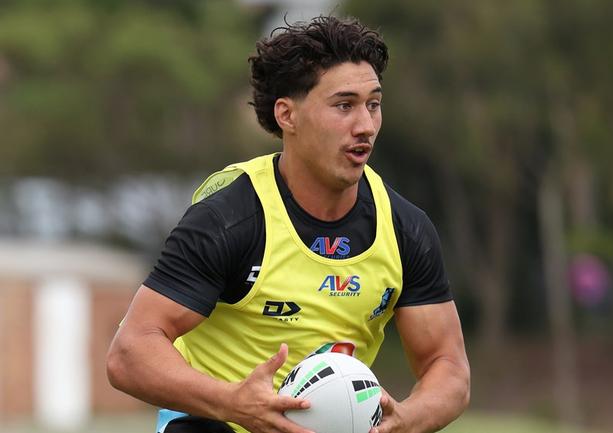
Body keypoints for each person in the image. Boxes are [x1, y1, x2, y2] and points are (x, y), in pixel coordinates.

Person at [107, 15, 470, 433]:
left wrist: (407, 419)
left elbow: (449, 367)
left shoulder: (404, 228)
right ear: (287, 115)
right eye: (344, 105)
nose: (366, 126)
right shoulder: (229, 219)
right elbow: (129, 352)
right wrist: (234, 403)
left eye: (373, 104)